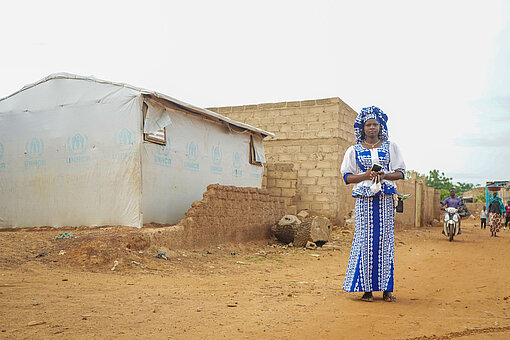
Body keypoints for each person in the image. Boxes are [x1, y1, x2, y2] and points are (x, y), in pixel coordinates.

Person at [340, 106, 405, 302]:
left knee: (385, 242)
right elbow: (347, 177)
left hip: (385, 199)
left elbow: (401, 172)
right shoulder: (353, 150)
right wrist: (365, 176)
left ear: (380, 126)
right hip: (364, 200)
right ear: (362, 127)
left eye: (375, 124)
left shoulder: (390, 147)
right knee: (365, 241)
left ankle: (387, 289)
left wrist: (384, 175)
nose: (372, 128)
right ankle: (367, 289)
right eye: (368, 124)